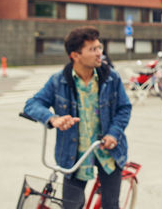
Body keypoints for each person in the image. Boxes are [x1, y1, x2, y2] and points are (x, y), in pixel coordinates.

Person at [23, 26, 131, 209]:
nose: (99, 54)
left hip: (109, 152)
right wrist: (52, 119)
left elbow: (124, 108)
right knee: (71, 206)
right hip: (74, 156)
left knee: (111, 205)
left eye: (99, 48)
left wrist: (114, 133)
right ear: (75, 55)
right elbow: (31, 104)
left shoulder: (111, 77)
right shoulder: (58, 81)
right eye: (93, 49)